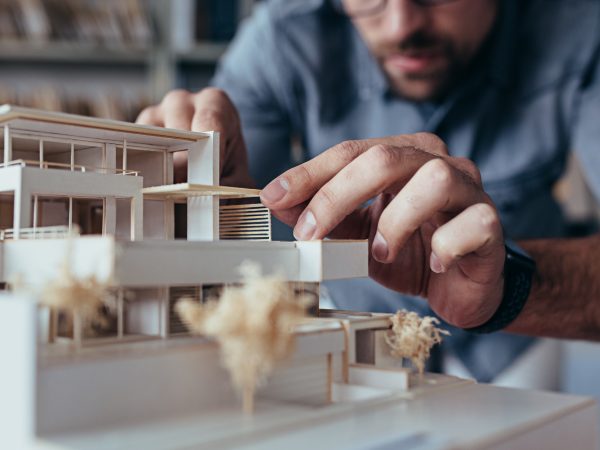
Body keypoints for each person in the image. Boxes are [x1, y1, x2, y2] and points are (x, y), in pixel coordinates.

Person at [137, 0, 600, 382]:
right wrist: (212, 204)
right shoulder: (281, 37)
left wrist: (507, 289)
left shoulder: (580, 28)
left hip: (522, 329)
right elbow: (241, 211)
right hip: (355, 329)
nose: (402, 25)